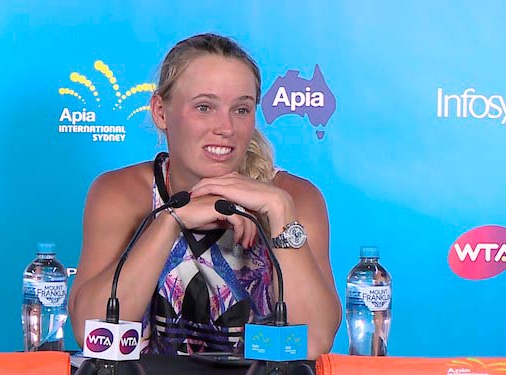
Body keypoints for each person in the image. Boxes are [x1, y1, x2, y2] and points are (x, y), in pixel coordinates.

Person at [69, 33, 341, 359]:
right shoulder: (123, 193)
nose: (225, 127)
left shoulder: (295, 196)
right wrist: (172, 219)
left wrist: (280, 211)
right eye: (204, 107)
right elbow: (94, 333)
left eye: (241, 109)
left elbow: (314, 343)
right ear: (160, 111)